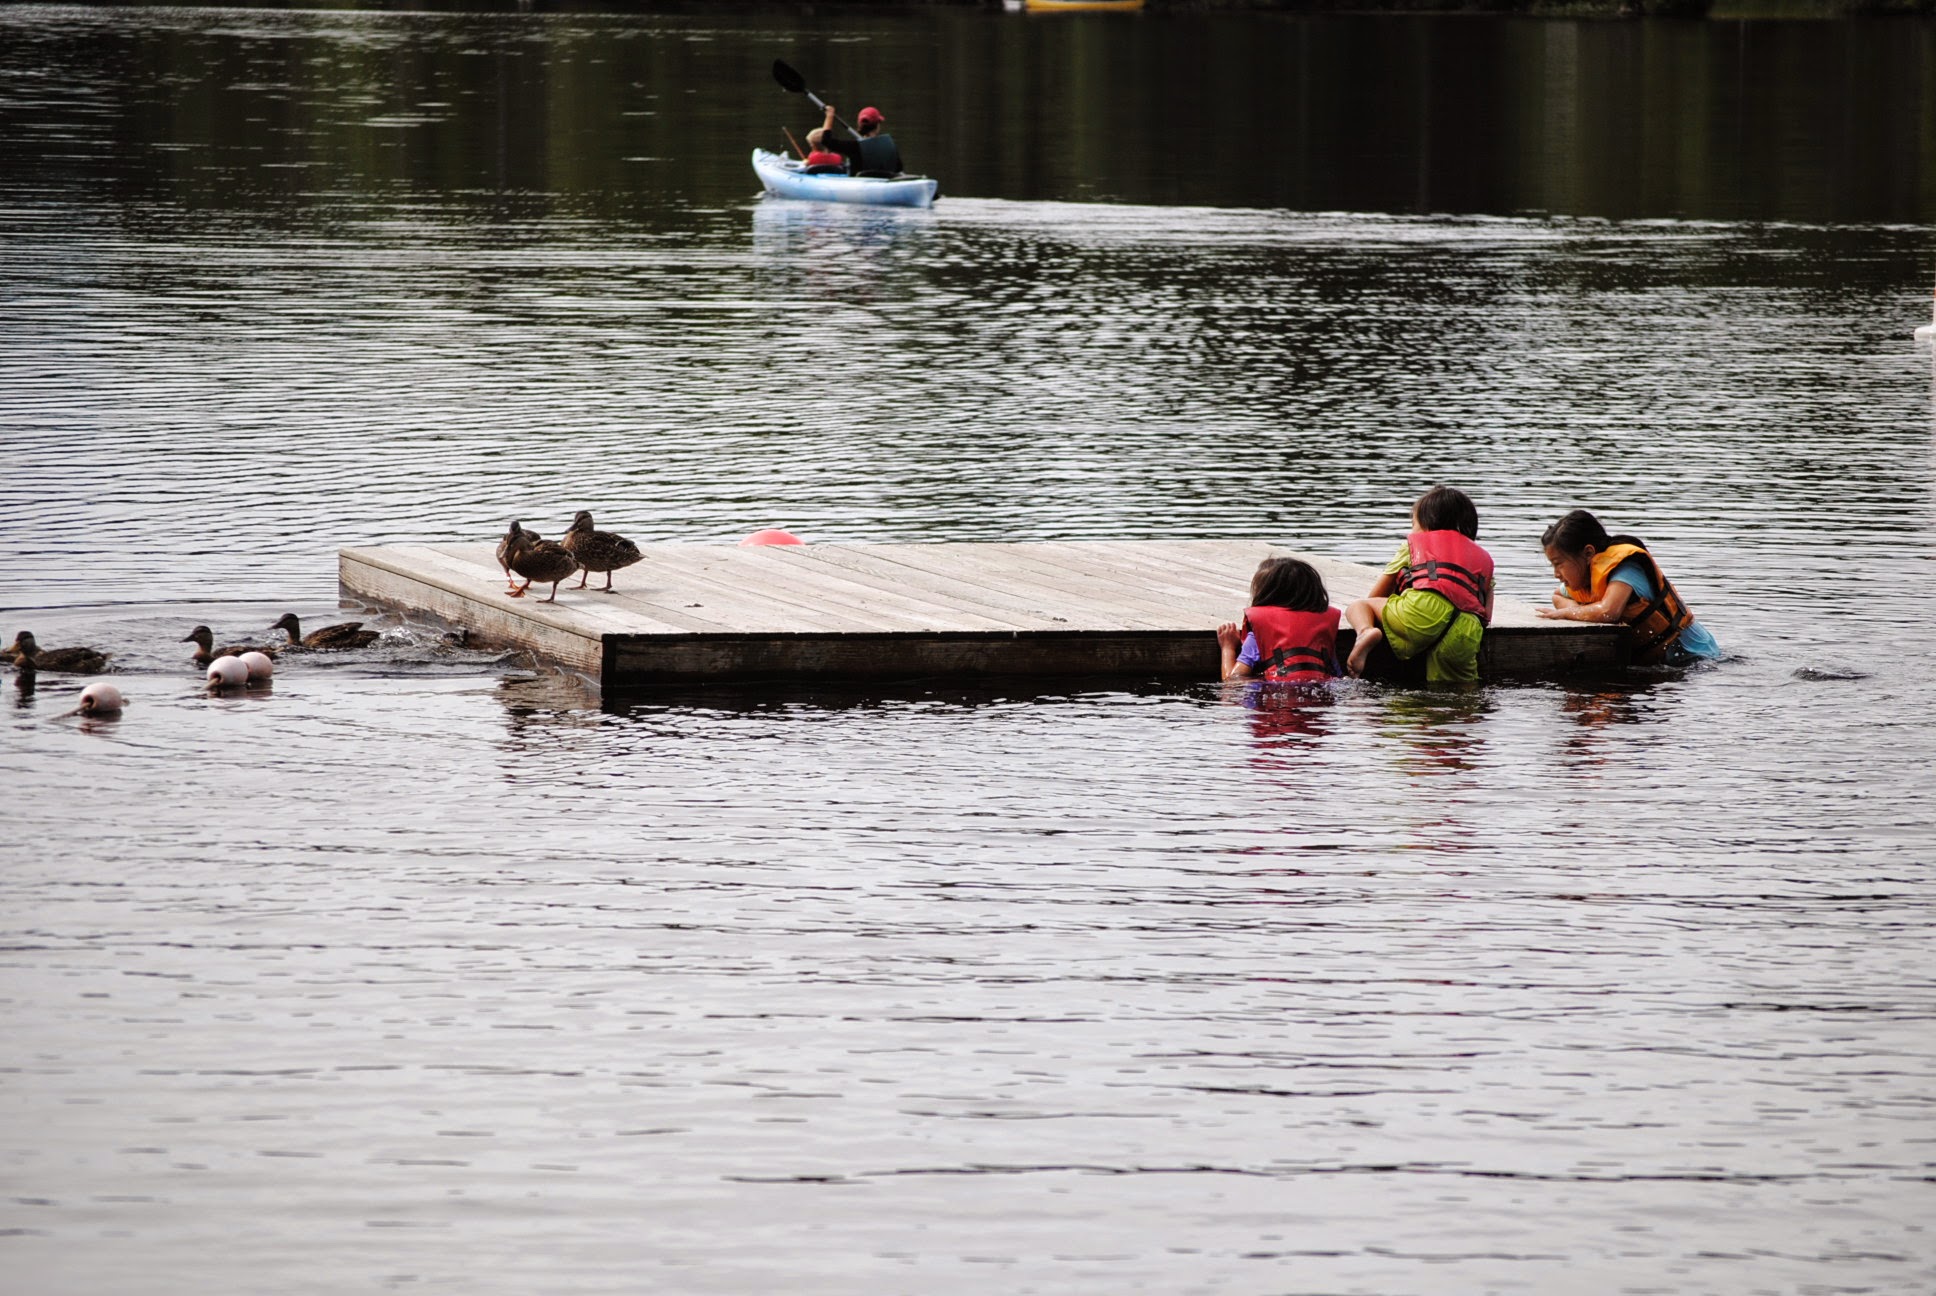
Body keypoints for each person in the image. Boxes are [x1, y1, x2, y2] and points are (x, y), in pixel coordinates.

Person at [1344, 485, 1495, 684]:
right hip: (1466, 628)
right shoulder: (1482, 558)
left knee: (1360, 605)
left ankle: (1365, 633)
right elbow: (1486, 615)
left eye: (1413, 523)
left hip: (1419, 612)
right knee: (1459, 698)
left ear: (1426, 524)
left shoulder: (1414, 545)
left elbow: (1376, 596)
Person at [1536, 509, 1721, 665]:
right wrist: (1579, 610)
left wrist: (1568, 614)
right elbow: (1557, 596)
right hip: (1664, 661)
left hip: (1698, 658)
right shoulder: (1590, 581)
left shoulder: (1626, 569)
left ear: (1588, 553)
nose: (1556, 574)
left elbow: (1609, 612)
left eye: (1558, 564)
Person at [1217, 556, 1340, 683]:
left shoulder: (1260, 633)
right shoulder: (1323, 630)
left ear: (1264, 595)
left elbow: (1232, 681)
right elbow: (1336, 674)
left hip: (1275, 694)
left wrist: (1228, 647)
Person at [819, 103, 903, 178]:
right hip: (885, 184)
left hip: (858, 188)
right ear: (878, 126)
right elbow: (899, 168)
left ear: (859, 125)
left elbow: (826, 141)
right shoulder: (888, 144)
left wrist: (829, 117)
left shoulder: (854, 146)